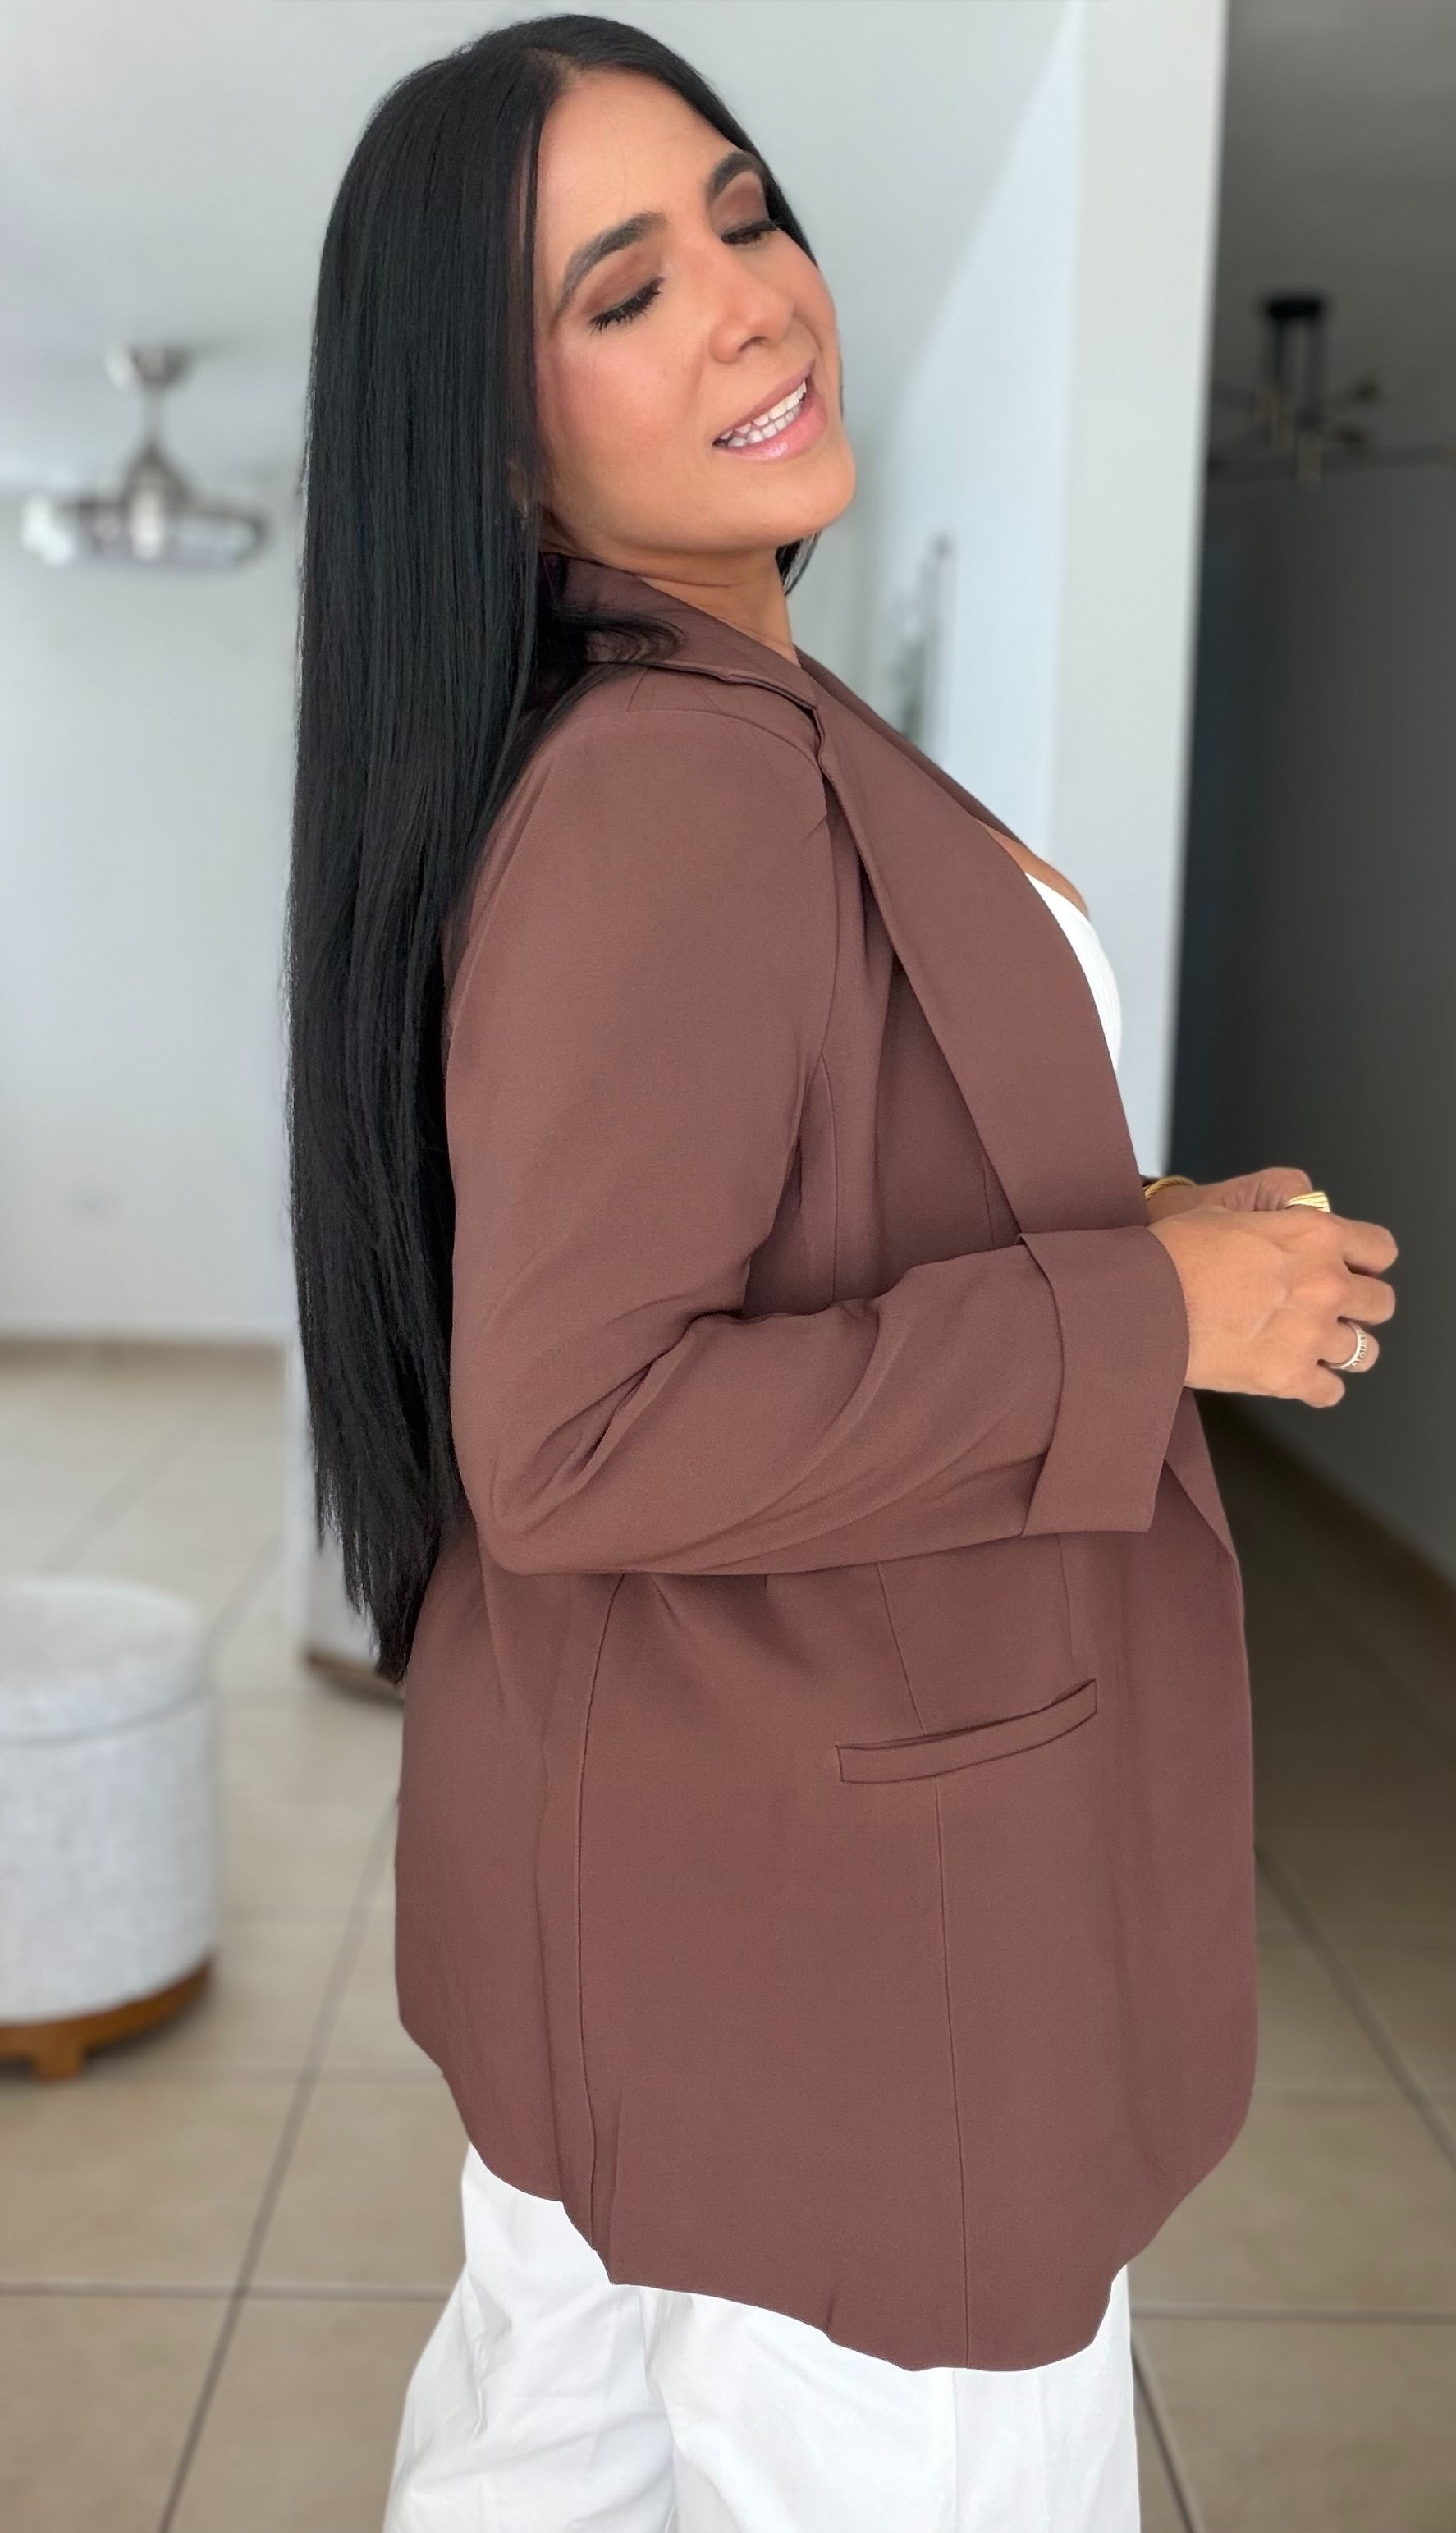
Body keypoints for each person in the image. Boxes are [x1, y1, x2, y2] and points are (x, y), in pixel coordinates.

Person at [284, 16, 1400, 2530]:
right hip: (841, 1939)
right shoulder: (676, 777)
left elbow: (768, 1199)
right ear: (494, 435)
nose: (752, 297)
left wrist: (1122, 1227)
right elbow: (579, 1433)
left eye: (745, 212)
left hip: (690, 1863)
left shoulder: (701, 725)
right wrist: (1147, 1320)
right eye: (621, 290)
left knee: (546, 2466)